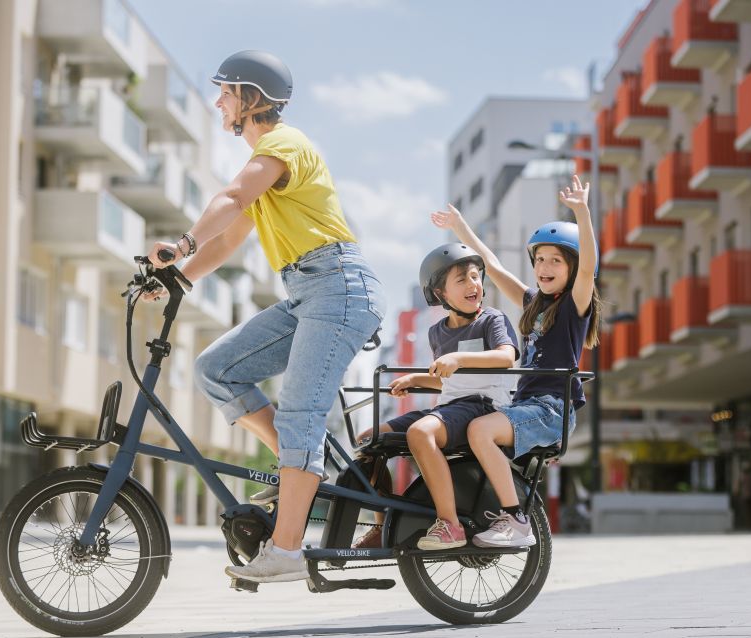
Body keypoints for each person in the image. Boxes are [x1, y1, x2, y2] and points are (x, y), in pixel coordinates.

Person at [146, 51, 385, 583]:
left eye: (226, 93)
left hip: (339, 287)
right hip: (307, 290)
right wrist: (179, 277)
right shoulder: (264, 167)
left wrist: (182, 243)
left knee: (301, 415)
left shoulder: (283, 144)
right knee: (216, 369)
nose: (218, 103)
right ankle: (299, 468)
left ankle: (287, 548)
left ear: (252, 99)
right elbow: (231, 235)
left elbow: (231, 199)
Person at [431, 174, 602, 548]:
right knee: (467, 428)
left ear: (572, 269)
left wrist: (582, 213)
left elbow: (589, 266)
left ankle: (516, 520)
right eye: (540, 259)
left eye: (556, 260)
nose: (545, 266)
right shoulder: (532, 304)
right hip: (525, 405)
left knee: (480, 430)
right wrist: (460, 226)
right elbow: (491, 265)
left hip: (552, 408)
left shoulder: (574, 308)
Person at [352, 244, 519, 550]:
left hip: (481, 406)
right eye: (462, 279)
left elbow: (506, 357)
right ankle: (381, 524)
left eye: (475, 276)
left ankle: (450, 524)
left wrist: (458, 359)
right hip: (451, 406)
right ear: (441, 294)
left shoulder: (492, 320)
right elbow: (449, 380)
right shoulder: (436, 332)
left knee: (420, 432)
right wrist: (417, 379)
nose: (473, 284)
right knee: (368, 440)